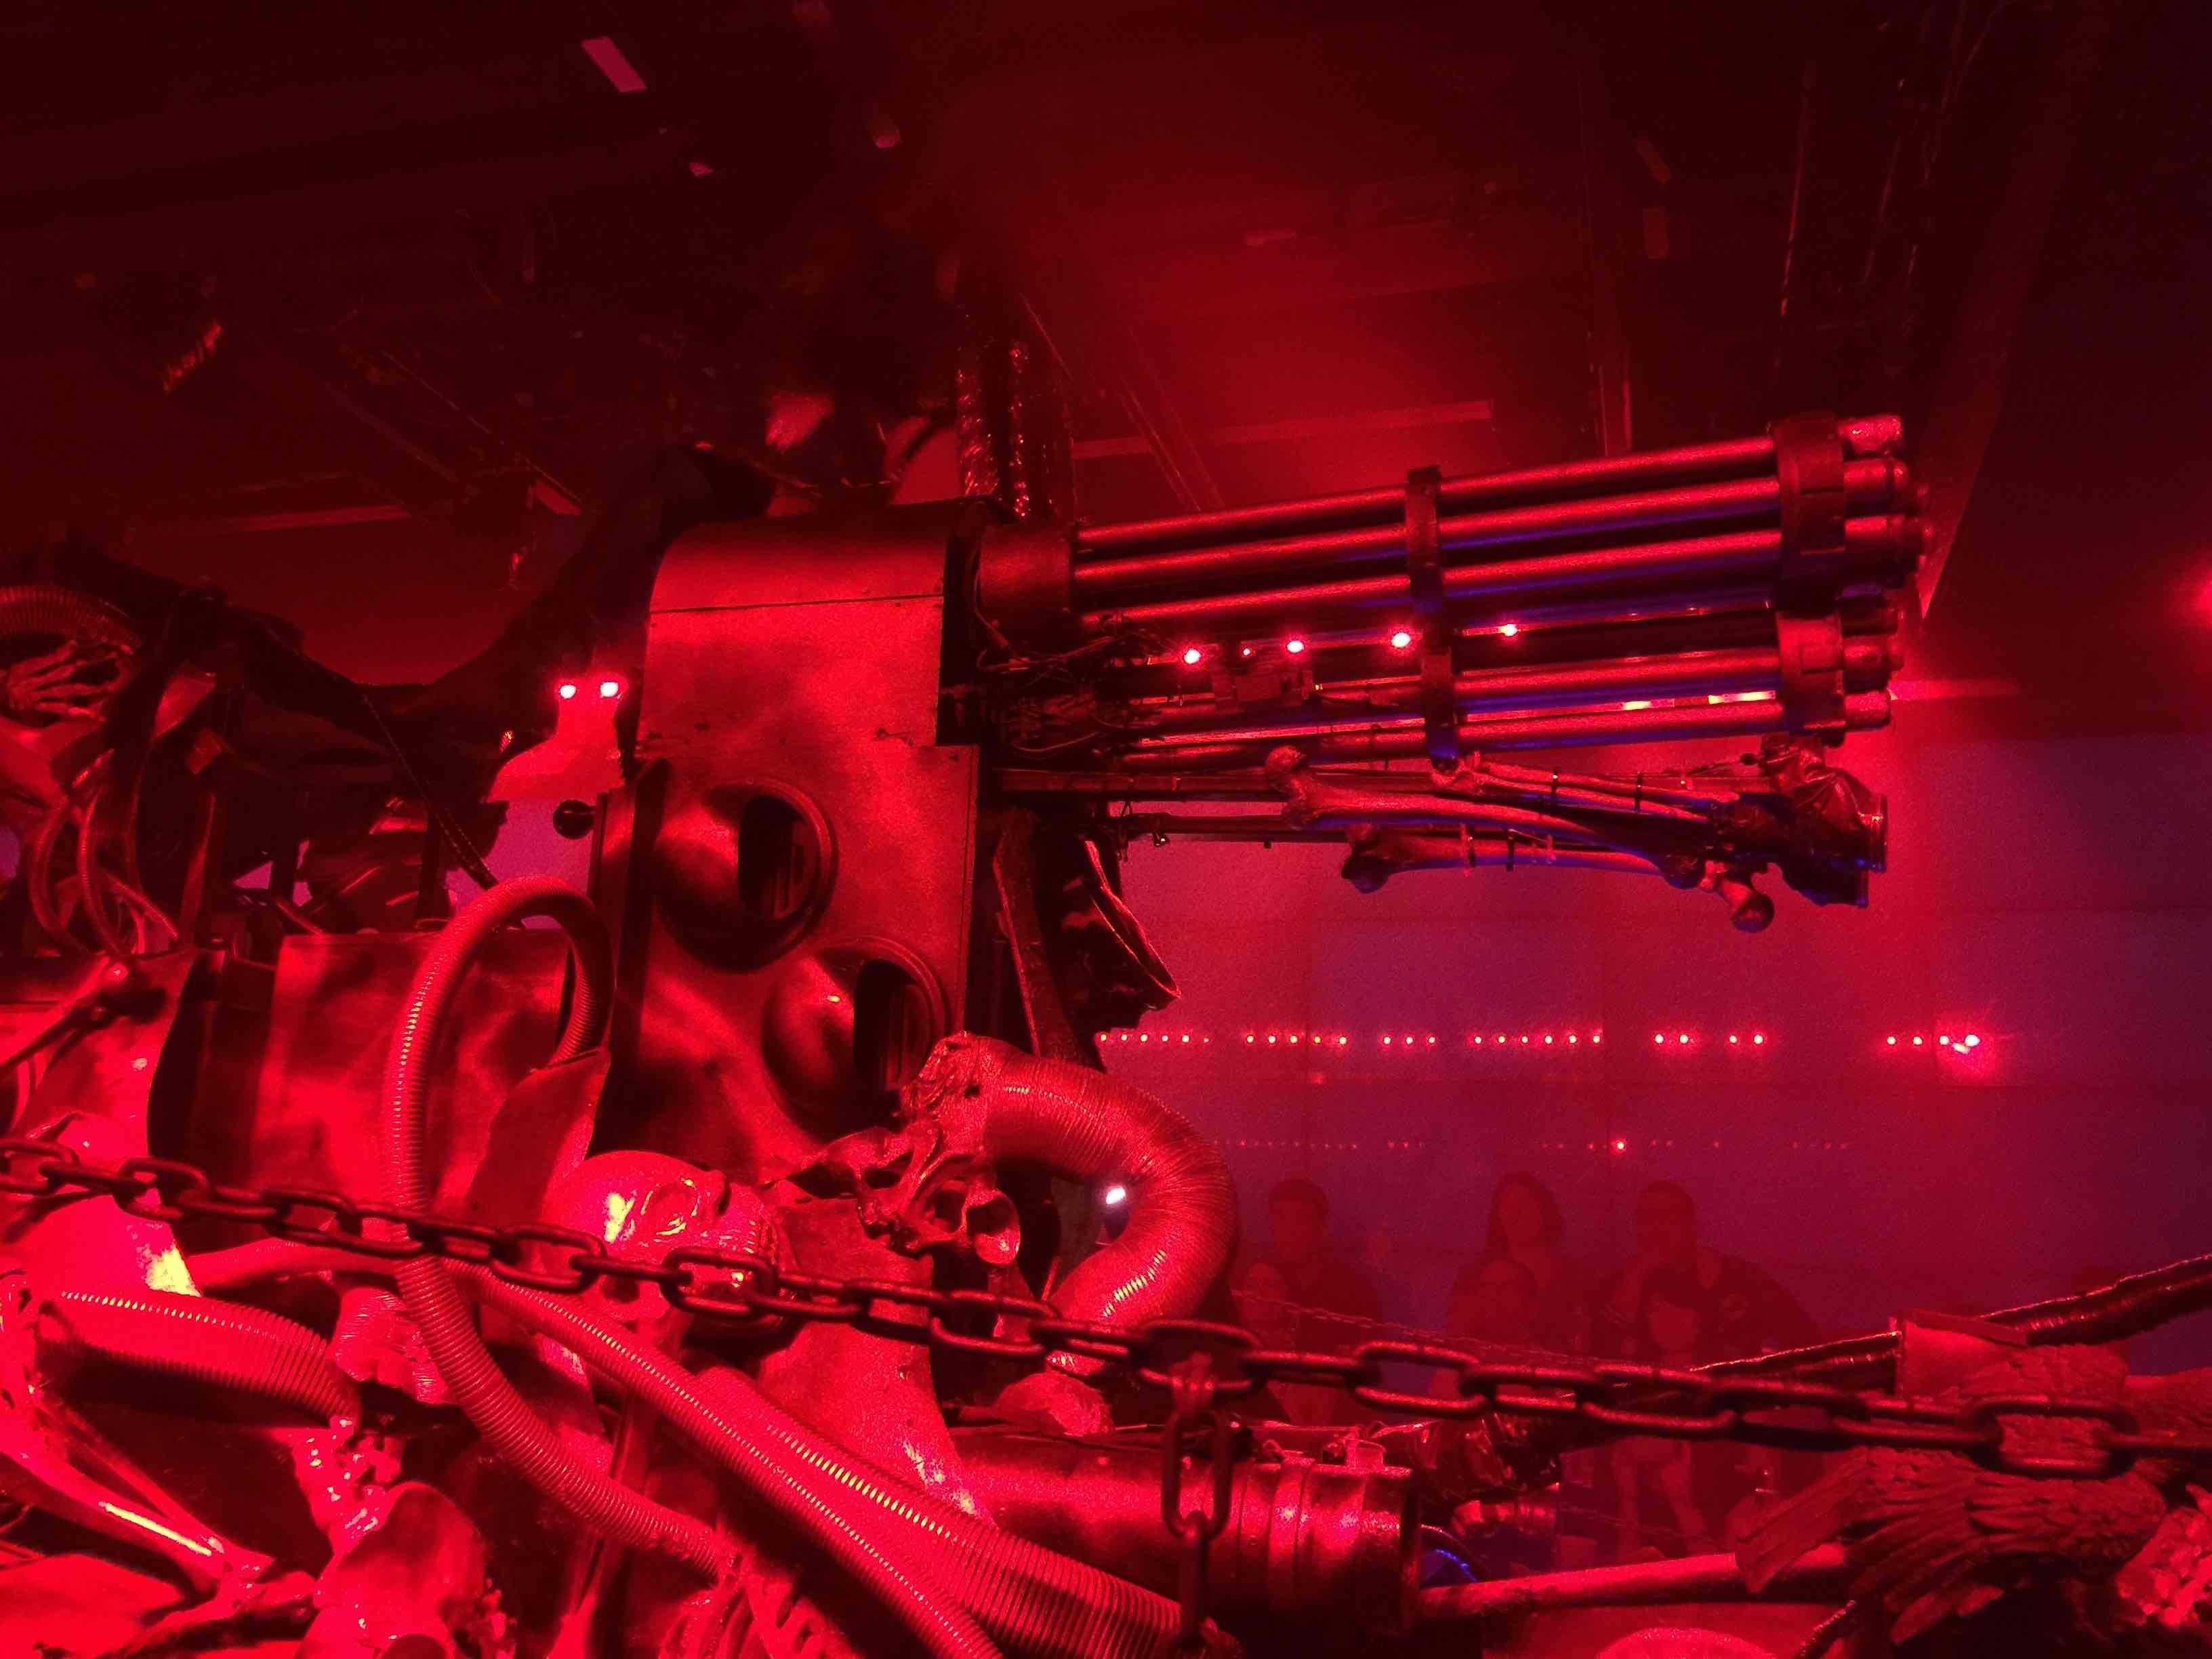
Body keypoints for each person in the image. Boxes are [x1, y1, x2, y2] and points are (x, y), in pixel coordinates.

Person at [1597, 1182, 1816, 1366]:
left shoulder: (1740, 1279)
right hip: (1649, 1402)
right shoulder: (1620, 1286)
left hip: (1728, 1400)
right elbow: (1600, 1355)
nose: (1655, 1228)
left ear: (1691, 1224)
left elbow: (1801, 1335)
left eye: (1667, 1216)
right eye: (1646, 1218)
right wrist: (1632, 1284)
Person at [1235, 1178, 1381, 1425]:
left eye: (1298, 1220)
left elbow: (1363, 1368)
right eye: (1280, 1219)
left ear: (1322, 1229)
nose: (1287, 1230)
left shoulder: (1352, 1290)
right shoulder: (1265, 1278)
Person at [1448, 1173, 1593, 1354]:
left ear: (1545, 1211)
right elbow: (1458, 1335)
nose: (1517, 1213)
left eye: (1526, 1204)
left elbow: (1584, 1338)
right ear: (1498, 1215)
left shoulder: (1575, 1278)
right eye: (1508, 1205)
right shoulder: (1475, 1273)